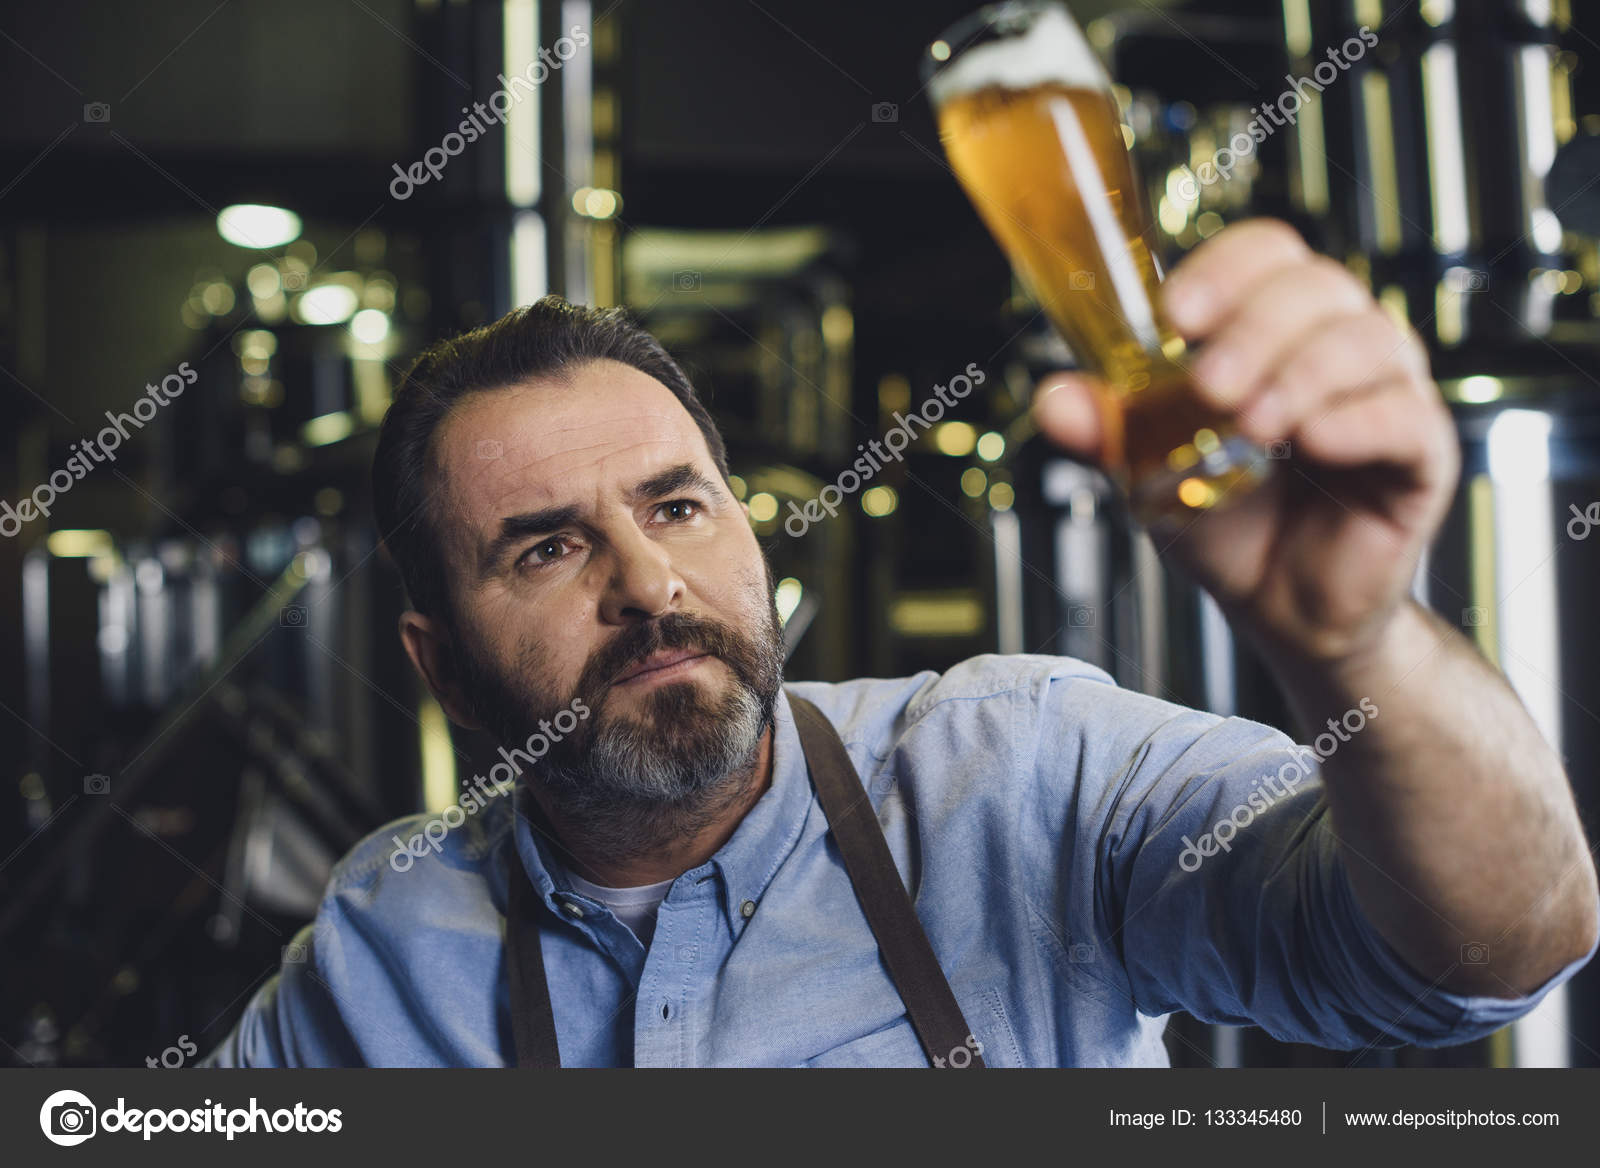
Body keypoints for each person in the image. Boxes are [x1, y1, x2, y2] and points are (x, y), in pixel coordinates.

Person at [201, 220, 1598, 1067]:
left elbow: (1493, 951)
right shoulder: (380, 965)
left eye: (678, 505)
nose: (650, 583)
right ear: (435, 660)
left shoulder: (1019, 772)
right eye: (549, 546)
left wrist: (1358, 644)